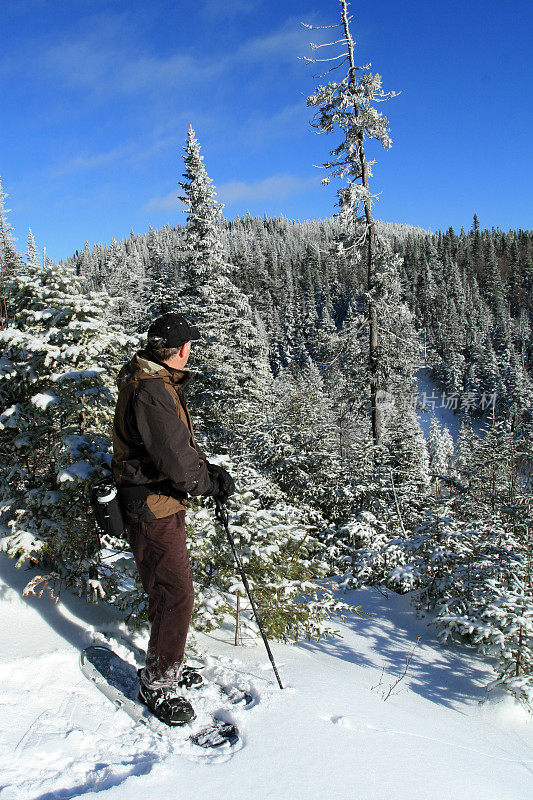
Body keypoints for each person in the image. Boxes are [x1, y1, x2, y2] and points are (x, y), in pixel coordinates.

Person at [111, 312, 235, 726]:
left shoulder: (152, 382)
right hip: (153, 507)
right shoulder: (151, 390)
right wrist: (208, 483)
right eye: (189, 348)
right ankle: (159, 683)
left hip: (159, 502)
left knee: (169, 591)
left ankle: (168, 662)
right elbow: (175, 460)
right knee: (175, 594)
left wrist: (206, 470)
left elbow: (174, 449)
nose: (190, 354)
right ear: (180, 350)